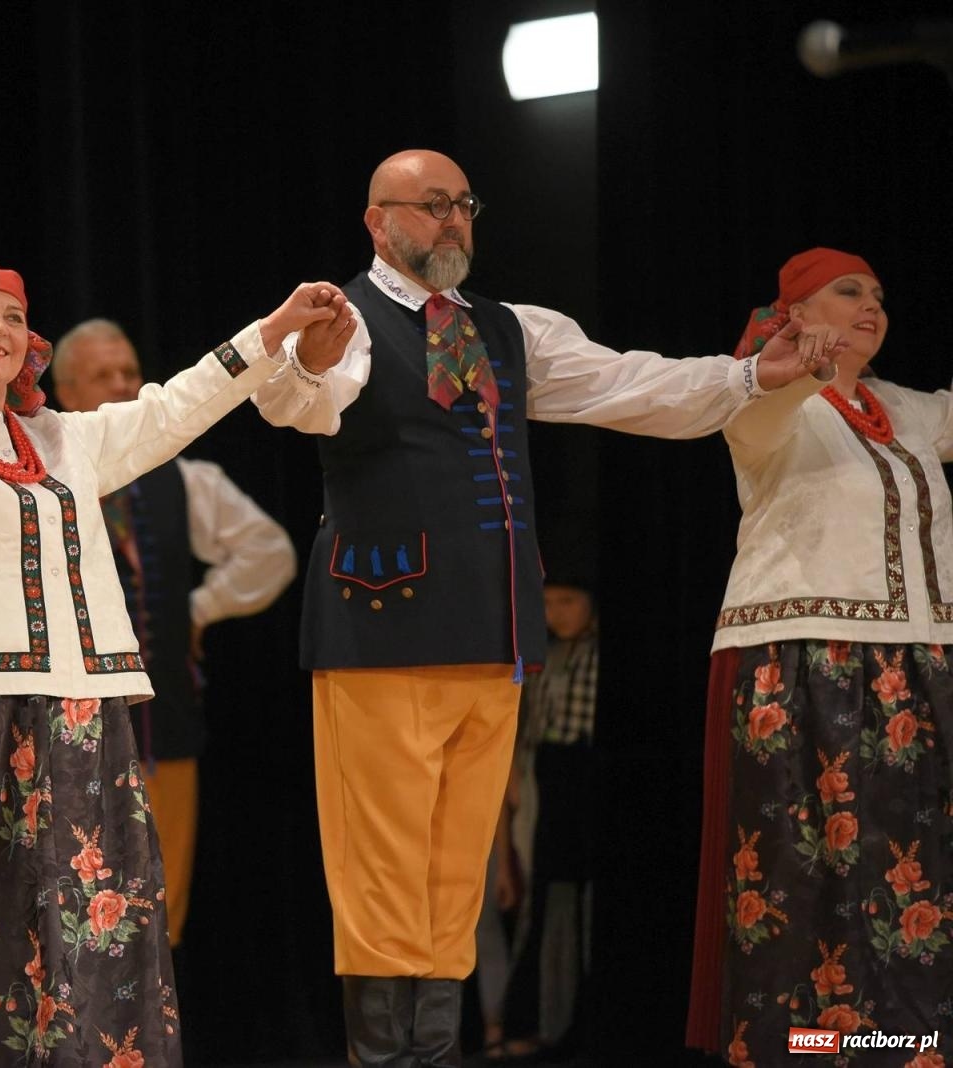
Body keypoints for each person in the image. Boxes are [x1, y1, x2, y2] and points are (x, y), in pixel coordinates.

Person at [248, 148, 844, 1067]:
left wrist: (751, 378)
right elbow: (297, 400)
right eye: (432, 204)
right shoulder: (345, 322)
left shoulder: (508, 328)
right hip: (382, 628)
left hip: (496, 632)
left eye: (464, 204)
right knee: (382, 868)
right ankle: (381, 1057)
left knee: (456, 869)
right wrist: (303, 364)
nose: (453, 219)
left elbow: (628, 383)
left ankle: (435, 1052)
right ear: (378, 220)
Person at [0, 268, 353, 1066]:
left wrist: (273, 330)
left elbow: (178, 404)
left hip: (78, 717)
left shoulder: (68, 440)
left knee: (83, 939)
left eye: (13, 316)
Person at [686, 248, 953, 1065]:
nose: (872, 306)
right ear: (797, 312)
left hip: (919, 666)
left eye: (878, 295)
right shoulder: (767, 400)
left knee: (916, 876)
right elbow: (761, 408)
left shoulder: (906, 409)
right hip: (804, 664)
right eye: (848, 292)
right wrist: (785, 366)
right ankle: (802, 1052)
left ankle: (910, 1048)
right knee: (811, 883)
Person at [50, 318, 297, 963]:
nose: (122, 385)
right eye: (103, 375)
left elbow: (269, 551)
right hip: (64, 731)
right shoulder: (40, 482)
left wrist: (197, 609)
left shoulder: (184, 479)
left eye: (130, 372)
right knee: (75, 906)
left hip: (166, 727)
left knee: (163, 905)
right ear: (66, 392)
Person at [491, 580, 597, 1063]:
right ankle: (531, 1019)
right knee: (540, 896)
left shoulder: (594, 654)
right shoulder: (542, 657)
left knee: (574, 900)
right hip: (543, 774)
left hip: (583, 773)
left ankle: (569, 1020)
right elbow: (523, 717)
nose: (557, 613)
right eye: (549, 603)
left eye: (568, 601)